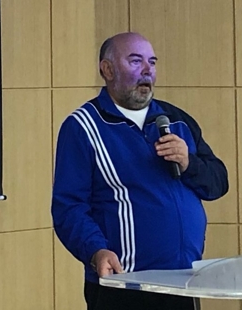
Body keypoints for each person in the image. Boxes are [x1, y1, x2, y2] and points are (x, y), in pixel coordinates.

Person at [52, 32, 229, 310]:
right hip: (123, 283)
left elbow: (218, 183)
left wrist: (188, 163)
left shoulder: (177, 121)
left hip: (182, 280)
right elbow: (69, 207)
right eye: (136, 61)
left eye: (152, 62)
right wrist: (95, 251)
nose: (147, 70)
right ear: (107, 70)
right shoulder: (83, 127)